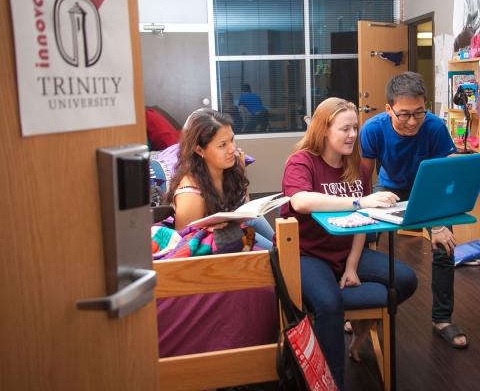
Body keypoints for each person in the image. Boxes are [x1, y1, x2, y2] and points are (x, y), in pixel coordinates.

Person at [281, 97, 417, 390]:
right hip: (308, 255)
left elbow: (365, 219)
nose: (353, 135)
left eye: (355, 127)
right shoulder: (302, 161)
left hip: (346, 253)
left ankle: (360, 333)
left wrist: (353, 266)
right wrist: (358, 201)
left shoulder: (358, 166)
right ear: (323, 130)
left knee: (405, 280)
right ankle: (330, 383)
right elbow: (301, 201)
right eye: (345, 129)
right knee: (329, 305)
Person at [359, 71, 467, 350]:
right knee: (363, 244)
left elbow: (446, 176)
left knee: (445, 248)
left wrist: (440, 223)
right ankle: (359, 312)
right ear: (389, 109)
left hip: (428, 190)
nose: (412, 121)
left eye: (419, 113)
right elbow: (363, 179)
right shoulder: (372, 129)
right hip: (388, 188)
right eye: (404, 114)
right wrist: (363, 208)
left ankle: (442, 318)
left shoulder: (433, 127)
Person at [166, 108, 274, 250]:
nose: (232, 149)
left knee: (256, 221)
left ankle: (283, 253)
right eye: (222, 145)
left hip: (230, 230)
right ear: (199, 150)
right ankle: (279, 258)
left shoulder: (229, 169)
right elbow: (182, 246)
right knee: (274, 253)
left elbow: (243, 207)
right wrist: (207, 230)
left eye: (232, 140)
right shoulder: (190, 194)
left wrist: (241, 172)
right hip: (211, 250)